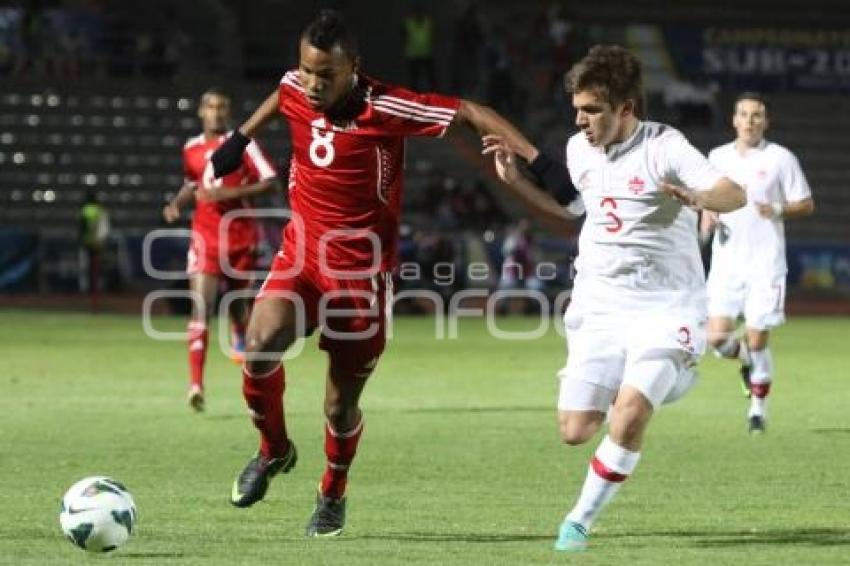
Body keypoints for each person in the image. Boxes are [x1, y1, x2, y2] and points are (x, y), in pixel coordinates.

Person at [210, 9, 550, 538]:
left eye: (328, 75)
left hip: (361, 278)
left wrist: (537, 159)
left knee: (339, 405)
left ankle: (332, 492)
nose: (314, 85)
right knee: (256, 347)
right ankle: (273, 451)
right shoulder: (295, 85)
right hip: (300, 257)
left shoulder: (385, 105)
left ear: (354, 69)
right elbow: (281, 93)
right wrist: (239, 137)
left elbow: (470, 111)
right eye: (308, 71)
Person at [482, 44, 745, 552]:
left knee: (628, 412)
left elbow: (734, 193)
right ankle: (652, 382)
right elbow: (574, 211)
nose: (581, 120)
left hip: (666, 306)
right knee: (575, 429)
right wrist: (517, 183)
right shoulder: (580, 150)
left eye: (593, 110)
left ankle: (577, 521)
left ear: (626, 108)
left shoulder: (665, 147)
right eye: (578, 109)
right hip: (601, 304)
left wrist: (699, 197)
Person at [701, 92, 815, 433]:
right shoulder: (717, 157)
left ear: (766, 121)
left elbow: (806, 203)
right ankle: (749, 363)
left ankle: (757, 411)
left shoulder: (781, 158)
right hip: (726, 265)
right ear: (733, 120)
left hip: (766, 265)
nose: (750, 121)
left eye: (757, 115)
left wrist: (777, 209)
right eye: (744, 114)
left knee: (757, 338)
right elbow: (707, 200)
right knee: (717, 338)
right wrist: (707, 222)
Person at [162, 88, 279, 412]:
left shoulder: (244, 144)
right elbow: (192, 183)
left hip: (241, 238)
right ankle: (196, 385)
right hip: (205, 237)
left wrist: (229, 192)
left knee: (240, 307)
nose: (216, 112)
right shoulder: (191, 149)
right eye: (211, 107)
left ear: (228, 112)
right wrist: (176, 204)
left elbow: (271, 182)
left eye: (222, 107)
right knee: (201, 308)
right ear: (201, 111)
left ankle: (238, 327)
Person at [78, 189, 110, 312]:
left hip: (87, 243)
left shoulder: (85, 209)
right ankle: (96, 296)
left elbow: (81, 226)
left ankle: (89, 294)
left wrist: (82, 240)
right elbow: (104, 229)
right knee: (96, 270)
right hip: (97, 244)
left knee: (88, 270)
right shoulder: (100, 210)